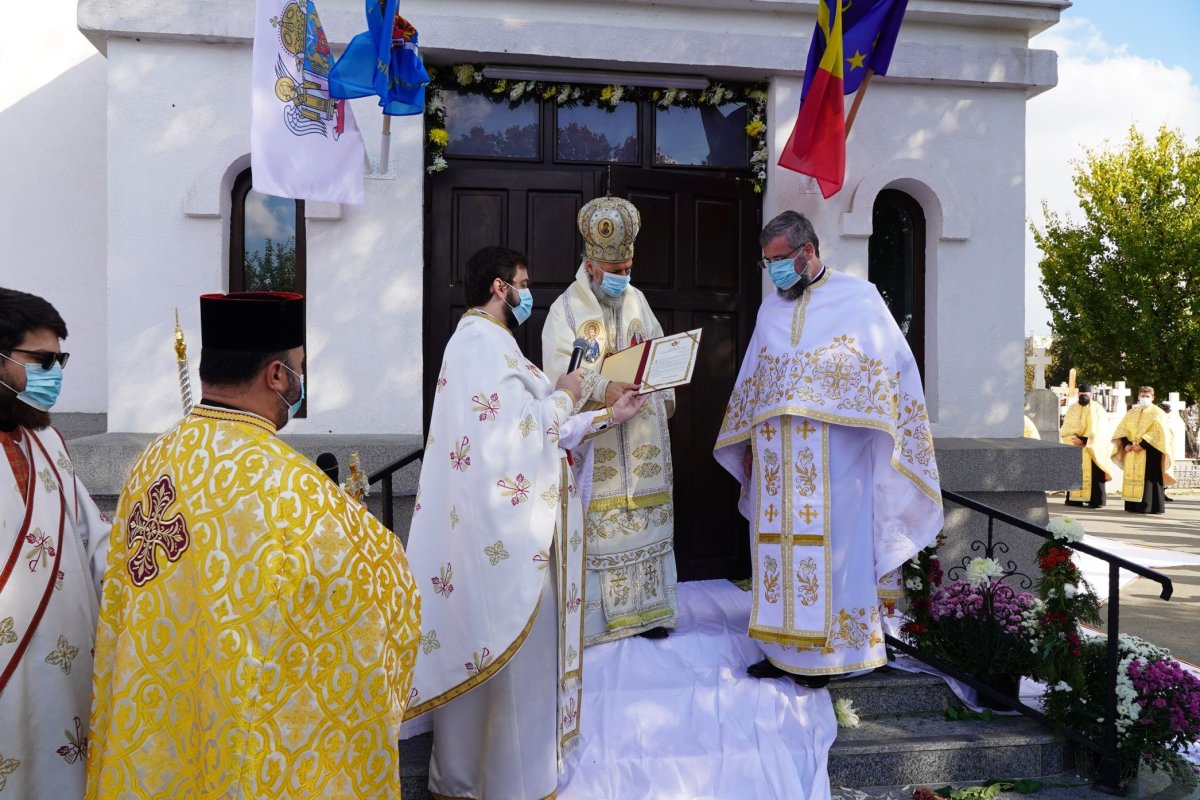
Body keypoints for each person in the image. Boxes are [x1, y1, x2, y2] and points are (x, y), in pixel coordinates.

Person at [86, 292, 421, 799]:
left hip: (154, 720)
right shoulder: (291, 486)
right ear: (277, 377)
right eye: (301, 368)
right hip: (232, 726)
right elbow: (386, 585)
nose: (301, 381)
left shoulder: (151, 462)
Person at [405, 245, 643, 800]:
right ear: (499, 287)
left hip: (494, 534)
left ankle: (465, 782)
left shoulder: (488, 344)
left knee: (489, 659)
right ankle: (512, 786)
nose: (528, 291)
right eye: (523, 282)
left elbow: (537, 427)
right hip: (510, 542)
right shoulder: (481, 345)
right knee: (514, 666)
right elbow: (517, 435)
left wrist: (609, 413)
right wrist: (566, 392)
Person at [713, 211, 943, 688]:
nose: (773, 269)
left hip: (837, 464)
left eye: (779, 259)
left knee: (835, 553)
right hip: (779, 463)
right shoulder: (770, 309)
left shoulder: (859, 299)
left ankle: (835, 653)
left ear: (808, 252)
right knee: (777, 555)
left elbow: (893, 372)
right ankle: (780, 652)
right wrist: (751, 446)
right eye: (766, 261)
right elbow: (755, 384)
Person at [542, 195, 679, 644]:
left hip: (641, 437)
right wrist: (605, 388)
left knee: (647, 518)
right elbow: (558, 376)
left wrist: (665, 375)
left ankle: (652, 612)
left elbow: (657, 349)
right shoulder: (564, 312)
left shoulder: (638, 301)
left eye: (628, 269)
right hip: (598, 443)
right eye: (616, 271)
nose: (624, 278)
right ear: (592, 263)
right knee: (599, 530)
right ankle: (601, 621)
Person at [0, 288, 110, 800]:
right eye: (42, 360)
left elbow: (96, 546)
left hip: (63, 687)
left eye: (60, 359)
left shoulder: (48, 441)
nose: (55, 374)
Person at [1112, 385, 1175, 515]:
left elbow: (1159, 432)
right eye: (1142, 396)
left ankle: (1150, 506)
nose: (1144, 398)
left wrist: (1143, 445)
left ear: (1153, 397)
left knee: (1149, 479)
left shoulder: (1158, 412)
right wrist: (1126, 444)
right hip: (1132, 450)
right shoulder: (1131, 413)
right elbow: (1122, 429)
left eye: (1147, 396)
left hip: (1150, 451)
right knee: (1132, 476)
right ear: (1138, 396)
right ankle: (1133, 505)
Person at [1059, 384, 1115, 508]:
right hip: (1074, 445)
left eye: (1086, 394)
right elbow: (1066, 428)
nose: (1083, 395)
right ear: (1078, 394)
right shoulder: (1072, 408)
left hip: (1091, 447)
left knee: (1095, 473)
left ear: (1090, 395)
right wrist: (1073, 439)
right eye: (1081, 394)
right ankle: (1075, 499)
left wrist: (1084, 440)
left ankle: (1095, 500)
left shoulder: (1097, 409)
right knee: (1075, 471)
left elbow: (1100, 429)